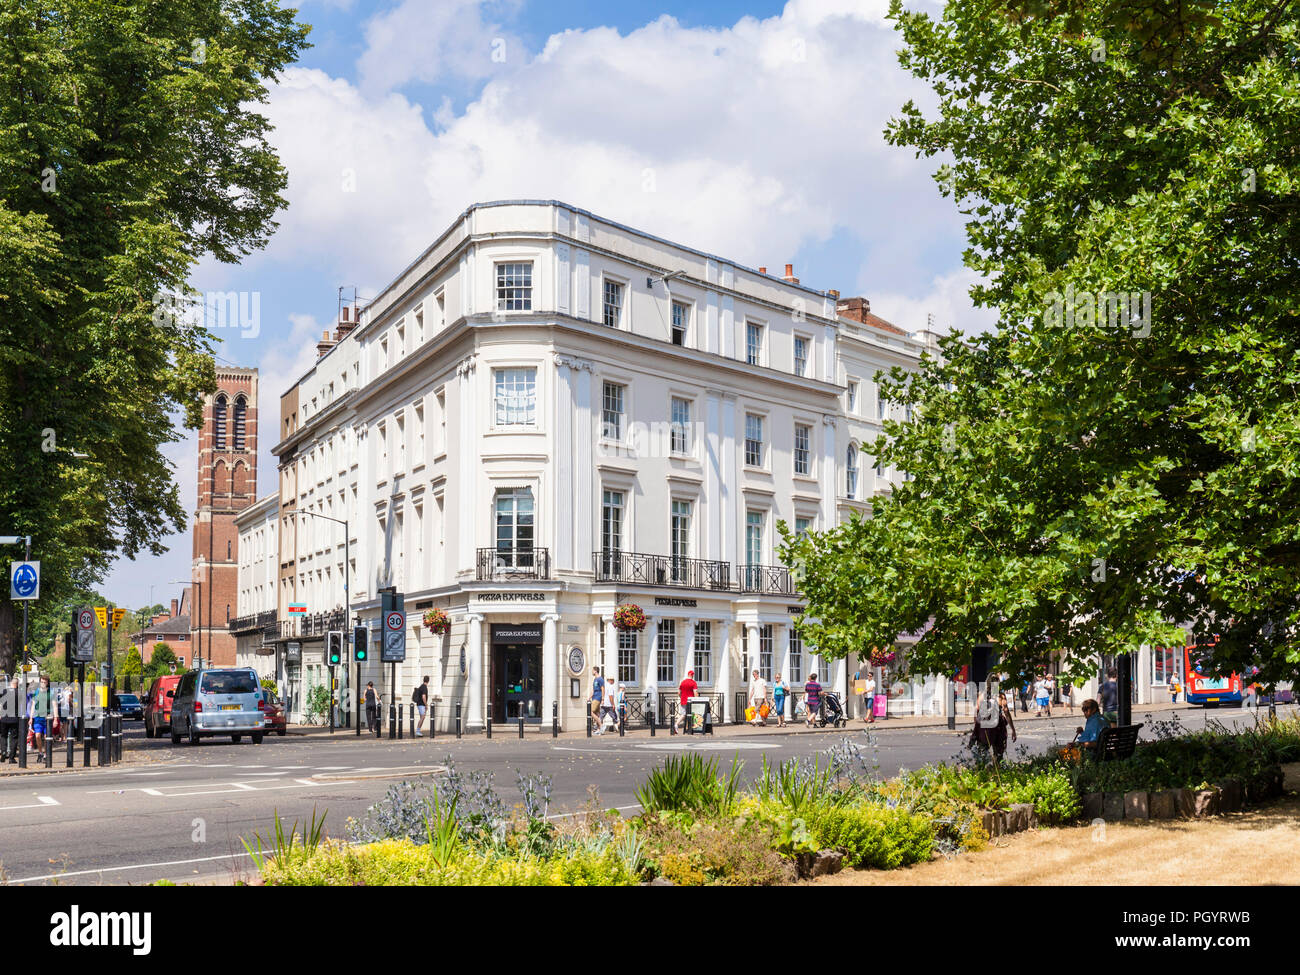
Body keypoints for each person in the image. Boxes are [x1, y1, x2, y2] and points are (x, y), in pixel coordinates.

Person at [0, 677, 19, 763]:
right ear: (17, 684)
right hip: (14, 719)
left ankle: (3, 752)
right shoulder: (19, 693)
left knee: (3, 736)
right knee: (14, 738)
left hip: (4, 718)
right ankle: (11, 758)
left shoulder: (4, 691)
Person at [590, 667, 605, 734]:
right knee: (597, 713)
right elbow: (593, 690)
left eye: (592, 670)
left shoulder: (600, 679)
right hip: (594, 697)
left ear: (595, 671)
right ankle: (599, 729)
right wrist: (589, 697)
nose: (592, 671)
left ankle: (601, 726)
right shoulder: (595, 679)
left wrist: (602, 698)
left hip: (598, 697)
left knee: (591, 712)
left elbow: (603, 689)